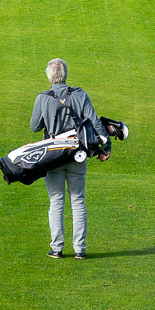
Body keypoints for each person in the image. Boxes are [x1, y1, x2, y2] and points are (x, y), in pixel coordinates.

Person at [31, 58, 109, 258]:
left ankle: (57, 248)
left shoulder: (43, 97)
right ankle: (79, 250)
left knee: (56, 201)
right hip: (77, 155)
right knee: (78, 201)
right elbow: (95, 123)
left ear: (49, 76)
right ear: (65, 74)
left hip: (54, 156)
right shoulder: (80, 95)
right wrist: (106, 147)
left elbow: (35, 127)